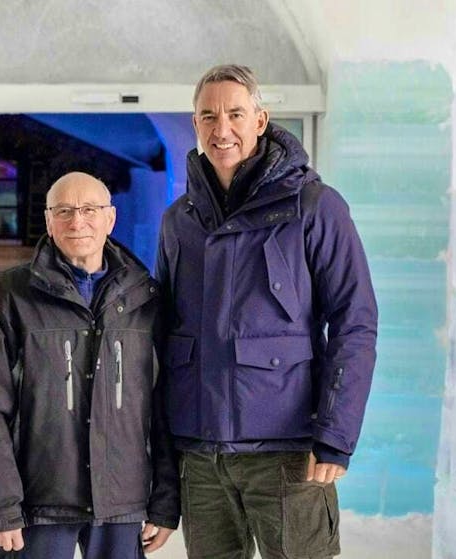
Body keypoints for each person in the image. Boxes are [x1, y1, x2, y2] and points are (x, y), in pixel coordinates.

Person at [156, 65, 378, 559]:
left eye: (236, 113)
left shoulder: (315, 207)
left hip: (288, 453)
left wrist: (336, 435)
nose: (222, 129)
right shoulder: (179, 221)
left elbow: (354, 321)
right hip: (201, 455)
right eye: (208, 116)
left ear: (261, 120)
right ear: (195, 125)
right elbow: (164, 332)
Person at [0, 172, 180, 558]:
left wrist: (164, 500)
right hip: (36, 504)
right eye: (64, 211)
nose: (77, 221)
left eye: (89, 209)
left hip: (122, 502)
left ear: (110, 218)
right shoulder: (9, 296)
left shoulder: (146, 300)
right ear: (48, 220)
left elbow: (161, 407)